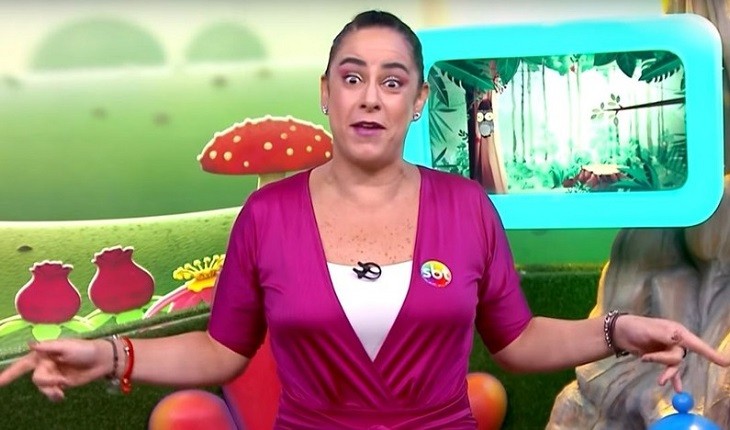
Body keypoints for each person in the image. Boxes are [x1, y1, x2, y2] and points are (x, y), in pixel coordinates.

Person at [0, 10, 728, 429]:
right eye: (352, 77)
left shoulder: (466, 207)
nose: (370, 97)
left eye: (392, 81)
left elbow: (517, 341)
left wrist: (617, 329)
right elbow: (220, 354)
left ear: (418, 101)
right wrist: (113, 354)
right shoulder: (268, 215)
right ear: (327, 93)